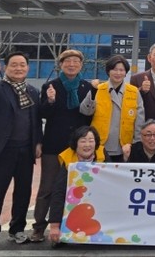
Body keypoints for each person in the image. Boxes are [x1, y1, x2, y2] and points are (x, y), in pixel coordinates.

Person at [0, 52, 42, 249]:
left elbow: (36, 120)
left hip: (25, 149)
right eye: (14, 64)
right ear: (6, 67)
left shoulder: (32, 91)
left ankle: (17, 229)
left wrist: (38, 143)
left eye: (22, 64)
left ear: (28, 68)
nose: (18, 68)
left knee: (23, 192)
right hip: (0, 150)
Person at [31, 49, 93, 242]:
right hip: (54, 144)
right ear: (61, 64)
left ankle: (72, 226)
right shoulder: (51, 86)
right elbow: (42, 114)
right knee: (47, 187)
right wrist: (50, 101)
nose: (72, 64)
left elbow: (90, 117)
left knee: (77, 187)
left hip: (78, 147)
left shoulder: (88, 87)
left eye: (76, 61)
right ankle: (39, 227)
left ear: (81, 65)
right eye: (68, 61)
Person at [80, 55, 144, 162]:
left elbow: (139, 120)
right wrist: (93, 92)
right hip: (100, 144)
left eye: (121, 70)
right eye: (114, 69)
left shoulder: (134, 91)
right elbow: (85, 111)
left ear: (125, 72)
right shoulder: (99, 88)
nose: (118, 73)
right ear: (108, 71)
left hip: (124, 146)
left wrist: (136, 143)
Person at [48, 126, 105, 245]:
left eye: (91, 140)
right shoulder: (68, 159)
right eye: (83, 141)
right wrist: (54, 226)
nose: (87, 145)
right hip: (74, 203)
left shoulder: (102, 155)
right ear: (75, 143)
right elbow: (58, 193)